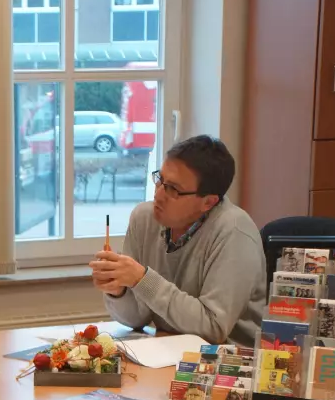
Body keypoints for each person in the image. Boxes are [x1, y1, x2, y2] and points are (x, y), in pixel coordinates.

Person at [90, 135, 266, 346]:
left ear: (208, 202)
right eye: (160, 179)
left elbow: (213, 329)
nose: (158, 194)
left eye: (172, 189)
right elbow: (136, 319)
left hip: (228, 358)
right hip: (168, 349)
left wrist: (142, 280)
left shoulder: (234, 232)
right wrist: (118, 291)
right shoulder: (144, 219)